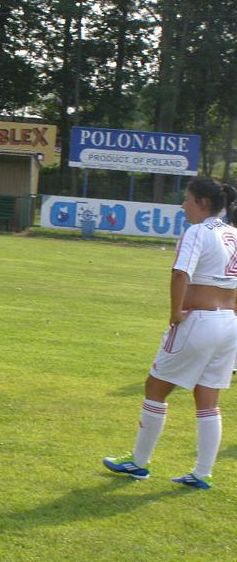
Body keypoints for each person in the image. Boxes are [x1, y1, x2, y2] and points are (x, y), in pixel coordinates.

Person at [103, 177, 237, 489]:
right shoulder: (234, 233)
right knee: (208, 399)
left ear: (203, 203)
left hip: (199, 321)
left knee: (155, 387)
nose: (183, 205)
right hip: (229, 323)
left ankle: (139, 463)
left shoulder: (197, 232)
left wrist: (176, 312)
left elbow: (180, 273)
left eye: (187, 199)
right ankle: (202, 473)